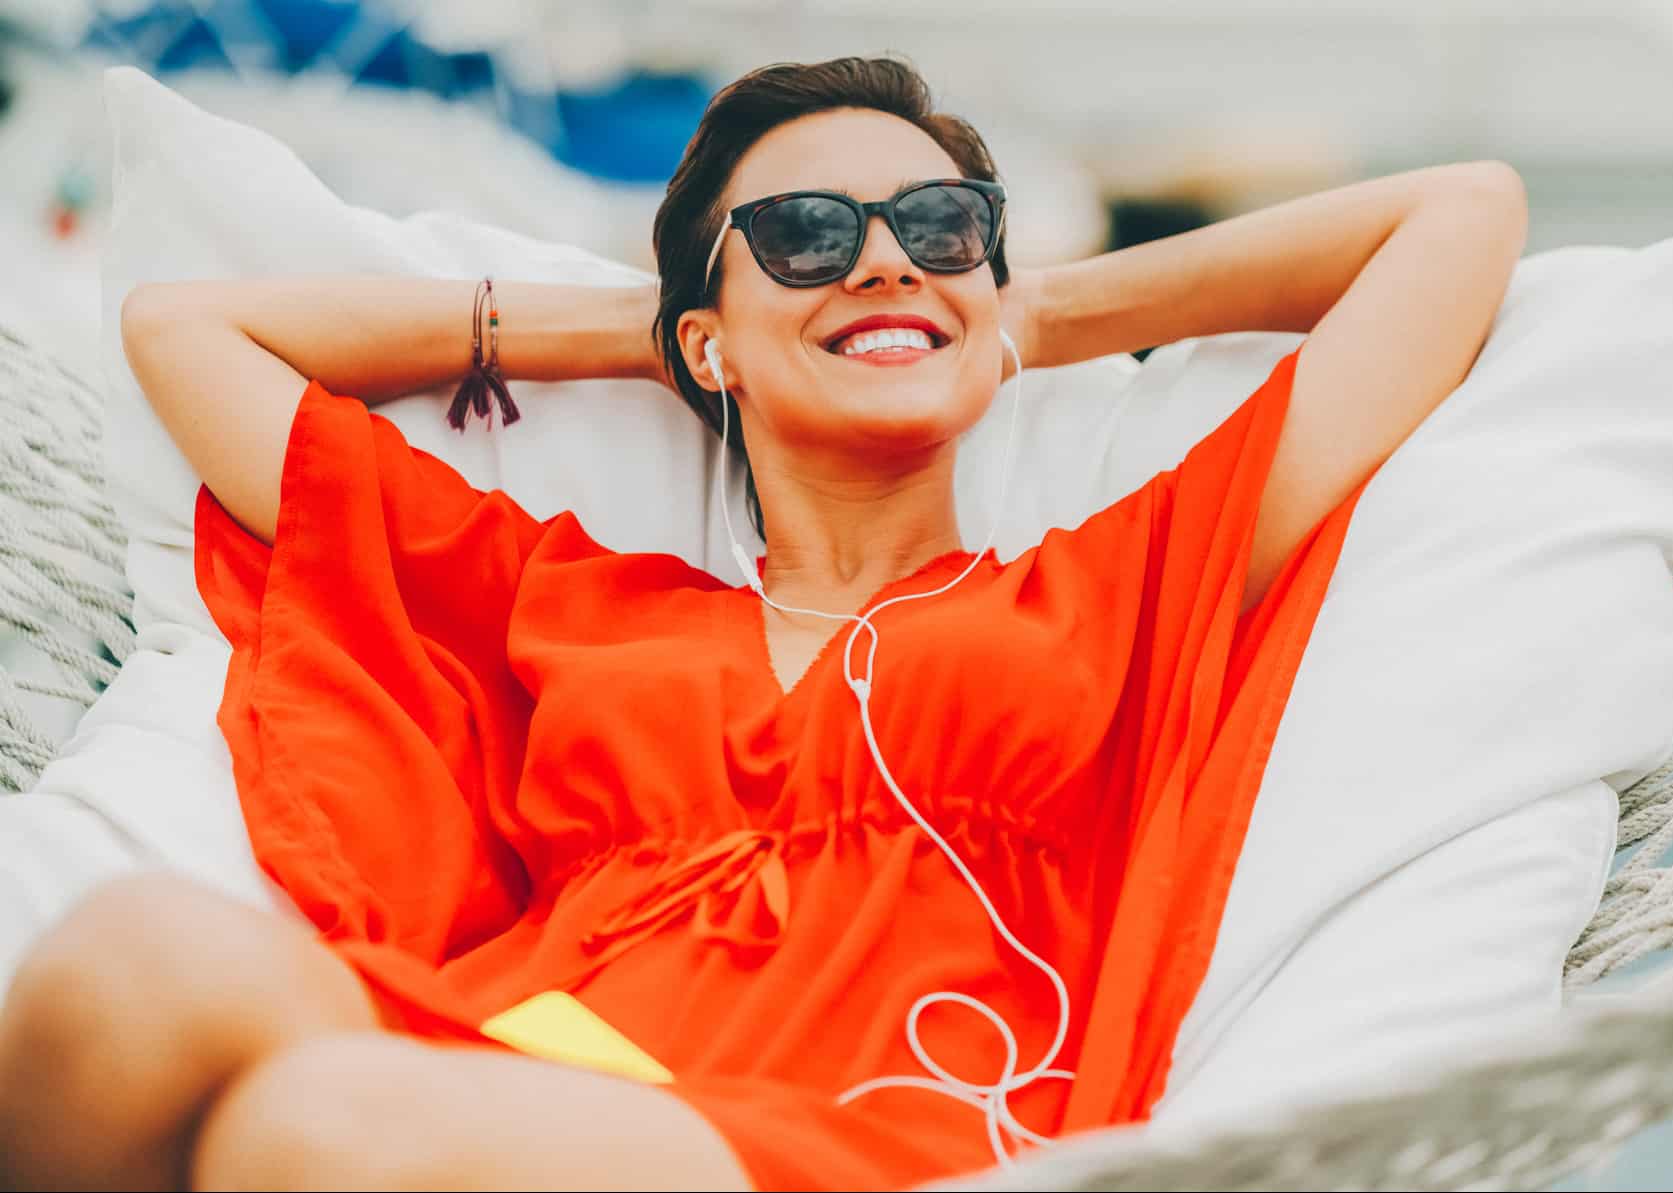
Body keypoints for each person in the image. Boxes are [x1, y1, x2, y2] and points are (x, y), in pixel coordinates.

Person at [0, 55, 1524, 1192]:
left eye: (938, 221)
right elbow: (186, 332)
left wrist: (1014, 318)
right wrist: (654, 324)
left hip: (859, 1133)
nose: (882, 255)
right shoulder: (578, 603)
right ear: (708, 340)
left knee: (312, 1129)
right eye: (803, 231)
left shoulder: (1108, 586)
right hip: (524, 1053)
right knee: (124, 966)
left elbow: (1461, 220)